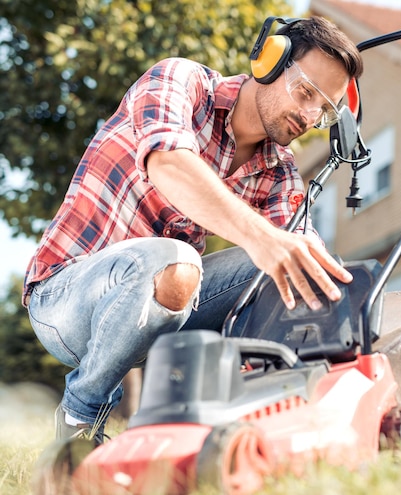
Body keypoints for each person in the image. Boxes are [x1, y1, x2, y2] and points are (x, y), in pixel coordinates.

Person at [22, 16, 364, 444]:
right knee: (178, 261)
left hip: (160, 315)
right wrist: (261, 237)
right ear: (269, 62)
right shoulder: (180, 82)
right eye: (306, 92)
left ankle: (246, 416)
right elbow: (168, 163)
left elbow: (302, 264)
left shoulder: (280, 170)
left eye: (325, 110)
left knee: (294, 266)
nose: (309, 116)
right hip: (64, 299)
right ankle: (78, 420)